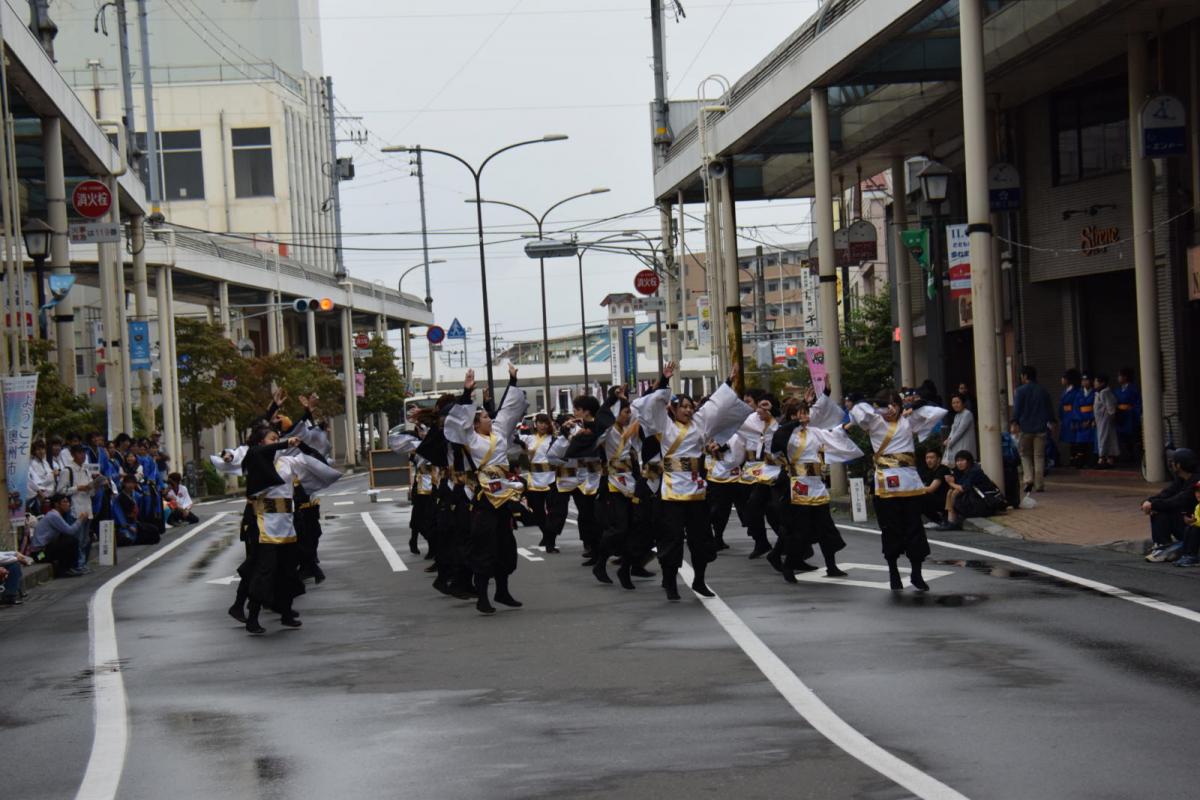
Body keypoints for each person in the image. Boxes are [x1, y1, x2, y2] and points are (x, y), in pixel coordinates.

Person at [631, 362, 751, 601]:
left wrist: (728, 381)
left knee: (701, 538)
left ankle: (699, 579)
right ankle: (670, 582)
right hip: (671, 493)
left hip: (697, 491)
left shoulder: (700, 423)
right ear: (673, 409)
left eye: (690, 406)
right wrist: (664, 381)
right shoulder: (664, 426)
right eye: (683, 407)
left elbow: (717, 405)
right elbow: (652, 406)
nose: (688, 410)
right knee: (671, 539)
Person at [442, 364, 528, 615]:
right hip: (483, 498)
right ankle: (482, 596)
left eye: (489, 417)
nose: (491, 418)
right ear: (475, 424)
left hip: (503, 495)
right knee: (484, 546)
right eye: (485, 417)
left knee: (505, 545)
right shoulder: (470, 438)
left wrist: (512, 381)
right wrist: (467, 393)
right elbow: (459, 421)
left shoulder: (499, 433)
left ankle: (503, 590)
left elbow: (510, 410)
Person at [241, 425, 341, 633]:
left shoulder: (287, 461)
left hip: (287, 523)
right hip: (266, 523)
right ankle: (253, 617)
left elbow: (314, 463)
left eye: (278, 438)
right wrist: (285, 442)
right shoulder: (256, 458)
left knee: (288, 570)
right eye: (271, 439)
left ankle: (286, 613)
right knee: (265, 571)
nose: (276, 441)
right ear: (261, 443)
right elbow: (257, 453)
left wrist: (303, 445)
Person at [847, 390, 947, 591]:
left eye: (895, 404)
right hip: (885, 484)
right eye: (887, 404)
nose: (891, 409)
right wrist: (878, 406)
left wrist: (917, 406)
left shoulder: (908, 422)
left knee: (914, 528)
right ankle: (893, 571)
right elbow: (858, 410)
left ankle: (916, 573)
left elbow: (938, 413)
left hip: (910, 484)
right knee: (890, 528)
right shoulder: (874, 422)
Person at [768, 387, 862, 582]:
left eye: (806, 413)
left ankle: (831, 565)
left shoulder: (814, 432)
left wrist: (846, 426)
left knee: (826, 528)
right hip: (799, 485)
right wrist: (795, 421)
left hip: (817, 485)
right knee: (799, 530)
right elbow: (777, 443)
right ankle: (788, 566)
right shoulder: (787, 435)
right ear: (793, 416)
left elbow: (833, 435)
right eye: (801, 413)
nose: (805, 417)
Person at [593, 388, 644, 589]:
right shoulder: (607, 432)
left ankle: (626, 568)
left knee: (635, 527)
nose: (628, 414)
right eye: (624, 411)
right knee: (619, 527)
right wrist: (614, 397)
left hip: (631, 481)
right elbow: (602, 416)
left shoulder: (629, 430)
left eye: (629, 411)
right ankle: (600, 561)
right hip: (614, 484)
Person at [736, 392, 783, 559]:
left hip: (773, 470)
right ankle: (760, 541)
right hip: (752, 468)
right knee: (750, 508)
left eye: (765, 406)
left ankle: (785, 542)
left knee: (773, 509)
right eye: (759, 406)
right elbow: (736, 433)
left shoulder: (780, 424)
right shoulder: (749, 420)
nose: (760, 410)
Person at [1142, 448, 1199, 563]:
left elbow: (1178, 501)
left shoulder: (1196, 481)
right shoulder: (1181, 479)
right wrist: (1149, 502)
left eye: (1173, 461)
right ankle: (1162, 545)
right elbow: (1166, 494)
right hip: (1187, 523)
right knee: (1157, 509)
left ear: (1179, 465)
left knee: (1159, 508)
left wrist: (1153, 505)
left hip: (1194, 525)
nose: (1171, 464)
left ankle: (1167, 549)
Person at [1011, 365, 1055, 493]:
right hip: (1041, 428)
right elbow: (1049, 409)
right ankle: (1039, 484)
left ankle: (1028, 479)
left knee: (1024, 454)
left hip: (1025, 428)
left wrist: (1014, 422)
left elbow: (1017, 409)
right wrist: (1052, 422)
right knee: (1039, 456)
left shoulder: (1020, 391)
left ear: (1025, 376)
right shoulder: (1043, 390)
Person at [518, 413, 558, 552]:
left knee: (552, 512)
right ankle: (546, 534)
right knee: (537, 512)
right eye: (540, 422)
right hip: (533, 480)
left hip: (551, 480)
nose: (542, 425)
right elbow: (512, 438)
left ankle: (550, 541)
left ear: (549, 424)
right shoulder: (528, 438)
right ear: (535, 424)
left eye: (545, 422)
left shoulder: (554, 439)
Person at [940, 451, 1004, 530]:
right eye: (957, 461)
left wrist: (951, 483)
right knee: (951, 492)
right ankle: (951, 521)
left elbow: (963, 488)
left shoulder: (975, 471)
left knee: (956, 492)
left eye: (962, 460)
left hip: (985, 504)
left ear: (969, 461)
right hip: (975, 501)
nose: (959, 463)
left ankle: (952, 522)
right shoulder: (963, 471)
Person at [30, 494, 91, 576]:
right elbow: (70, 531)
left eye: (68, 502)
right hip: (39, 555)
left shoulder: (56, 515)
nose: (68, 504)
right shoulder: (54, 516)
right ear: (56, 504)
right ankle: (68, 569)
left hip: (44, 551)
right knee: (71, 541)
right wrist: (80, 519)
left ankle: (70, 567)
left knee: (67, 540)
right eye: (64, 502)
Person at [705, 434, 746, 552]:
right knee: (716, 508)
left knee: (725, 509)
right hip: (716, 474)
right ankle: (705, 533)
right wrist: (714, 447)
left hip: (733, 474)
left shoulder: (735, 431)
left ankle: (718, 538)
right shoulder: (712, 428)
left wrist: (726, 445)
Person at [1115, 367, 1143, 465]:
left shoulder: (1133, 389)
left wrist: (1136, 412)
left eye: (1120, 376)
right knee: (1122, 438)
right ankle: (1126, 456)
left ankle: (1134, 456)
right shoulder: (1117, 390)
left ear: (1125, 377)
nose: (1118, 378)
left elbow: (1138, 403)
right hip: (1120, 415)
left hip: (1130, 415)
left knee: (1132, 437)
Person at [940, 394, 977, 467]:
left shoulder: (967, 414)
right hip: (956, 446)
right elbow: (953, 431)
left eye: (957, 402)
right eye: (953, 403)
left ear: (963, 403)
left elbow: (960, 431)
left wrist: (950, 442)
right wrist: (948, 439)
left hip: (965, 446)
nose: (955, 405)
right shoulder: (957, 415)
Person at [918, 449, 952, 526]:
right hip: (935, 499)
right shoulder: (929, 471)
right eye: (927, 458)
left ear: (939, 459)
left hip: (945, 501)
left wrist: (915, 489)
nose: (929, 460)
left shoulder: (942, 469)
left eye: (932, 457)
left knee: (921, 498)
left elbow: (931, 489)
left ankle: (939, 520)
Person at [1093, 373, 1119, 469]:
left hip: (1105, 419)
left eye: (1096, 382)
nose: (1094, 383)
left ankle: (1102, 459)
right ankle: (1108, 459)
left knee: (1104, 438)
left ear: (1102, 383)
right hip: (1100, 420)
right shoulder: (1099, 393)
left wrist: (1111, 417)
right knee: (1105, 438)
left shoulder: (1105, 393)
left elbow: (1110, 407)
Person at [1059, 369, 1083, 466]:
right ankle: (1072, 458)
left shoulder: (1076, 391)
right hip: (1065, 416)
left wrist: (1074, 419)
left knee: (1075, 439)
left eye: (1064, 378)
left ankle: (1076, 459)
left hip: (1072, 416)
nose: (1062, 379)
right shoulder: (1065, 391)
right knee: (1069, 440)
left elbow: (1076, 406)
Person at [1174, 481, 1200, 568]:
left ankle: (1192, 556)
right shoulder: (1198, 506)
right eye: (1197, 491)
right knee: (1189, 528)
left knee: (1195, 529)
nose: (1198, 494)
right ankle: (1186, 554)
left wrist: (1195, 522)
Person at [1074, 373, 1097, 468]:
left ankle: (1091, 461)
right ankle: (1081, 461)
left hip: (1091, 421)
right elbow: (1075, 409)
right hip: (1081, 421)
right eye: (1083, 380)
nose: (1084, 382)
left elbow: (1097, 407)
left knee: (1092, 442)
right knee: (1081, 442)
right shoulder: (1079, 393)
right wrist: (1081, 420)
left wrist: (1091, 419)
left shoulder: (1095, 393)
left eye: (1086, 380)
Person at [26, 440, 56, 513]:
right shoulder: (32, 464)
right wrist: (52, 475)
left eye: (43, 449)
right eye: (38, 449)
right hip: (41, 498)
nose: (41, 451)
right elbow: (39, 482)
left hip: (50, 496)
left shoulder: (45, 462)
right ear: (34, 451)